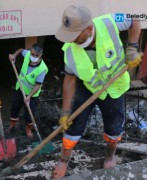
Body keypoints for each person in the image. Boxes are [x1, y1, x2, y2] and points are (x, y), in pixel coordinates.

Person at [51, 5, 142, 178]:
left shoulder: (109, 23)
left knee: (114, 128)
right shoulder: (69, 51)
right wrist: (65, 111)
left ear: (89, 28)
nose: (69, 40)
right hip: (89, 87)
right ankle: (63, 160)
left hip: (114, 88)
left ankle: (109, 156)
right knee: (72, 125)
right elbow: (69, 79)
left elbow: (135, 20)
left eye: (74, 35)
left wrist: (132, 48)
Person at [6, 44, 48, 138]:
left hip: (32, 95)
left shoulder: (42, 69)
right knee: (14, 109)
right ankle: (12, 126)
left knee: (29, 114)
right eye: (32, 54)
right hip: (19, 89)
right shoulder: (28, 54)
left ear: (40, 55)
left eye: (36, 55)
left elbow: (37, 85)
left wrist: (29, 96)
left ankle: (28, 130)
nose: (33, 56)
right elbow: (21, 50)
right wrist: (14, 55)